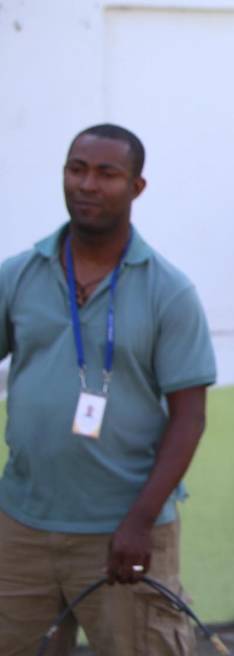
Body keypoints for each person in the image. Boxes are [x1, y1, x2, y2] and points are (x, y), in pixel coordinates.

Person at [0, 124, 216, 655]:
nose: (87, 184)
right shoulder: (20, 275)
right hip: (21, 526)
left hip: (124, 530)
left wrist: (139, 521)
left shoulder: (169, 290)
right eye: (77, 169)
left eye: (106, 173)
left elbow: (189, 417)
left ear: (136, 187)